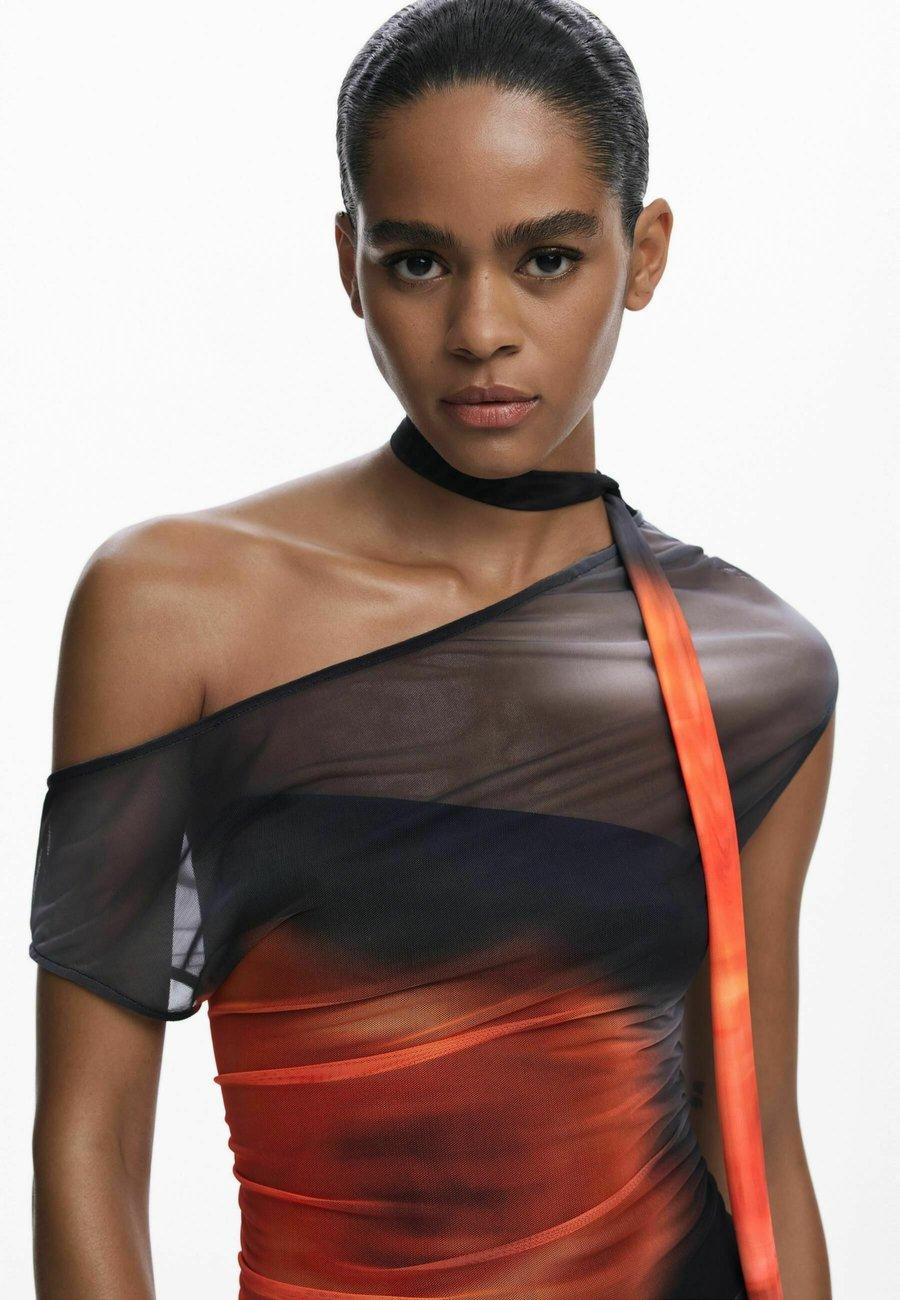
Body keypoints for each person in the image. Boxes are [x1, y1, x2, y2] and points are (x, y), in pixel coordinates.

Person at [29, 2, 838, 1298]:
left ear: (643, 254)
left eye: (547, 259)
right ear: (350, 263)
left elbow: (756, 1145)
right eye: (418, 262)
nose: (479, 329)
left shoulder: (755, 669)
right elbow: (88, 1142)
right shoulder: (174, 612)